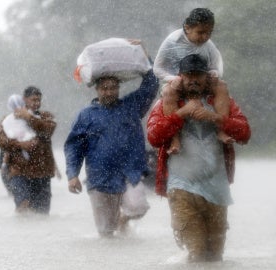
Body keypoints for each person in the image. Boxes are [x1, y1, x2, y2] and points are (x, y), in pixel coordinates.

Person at [147, 54, 251, 262]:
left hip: (217, 189)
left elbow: (244, 133)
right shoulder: (166, 102)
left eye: (198, 75)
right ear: (180, 77)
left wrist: (215, 118)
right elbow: (153, 137)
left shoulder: (221, 100)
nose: (193, 79)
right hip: (181, 188)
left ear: (207, 77)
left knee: (215, 257)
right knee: (197, 252)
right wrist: (181, 114)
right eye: (188, 75)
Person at [64, 56, 158, 237]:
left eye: (113, 88)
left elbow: (151, 85)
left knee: (138, 207)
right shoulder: (86, 116)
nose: (109, 92)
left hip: (129, 172)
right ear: (97, 90)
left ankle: (123, 221)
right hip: (100, 178)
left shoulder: (131, 106)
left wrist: (144, 56)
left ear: (118, 88)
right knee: (106, 234)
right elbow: (74, 147)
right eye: (104, 89)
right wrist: (72, 175)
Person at [153, 8, 232, 155]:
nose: (205, 37)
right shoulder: (172, 41)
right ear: (187, 28)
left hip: (202, 81)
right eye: (201, 32)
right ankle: (175, 138)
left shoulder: (208, 44)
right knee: (168, 91)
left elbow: (217, 66)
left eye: (209, 33)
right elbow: (157, 68)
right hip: (178, 81)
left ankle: (221, 130)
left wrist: (214, 74)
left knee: (221, 86)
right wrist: (173, 78)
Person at [0, 86, 57, 214]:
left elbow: (48, 131)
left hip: (42, 171)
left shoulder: (45, 116)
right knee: (23, 204)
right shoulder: (8, 120)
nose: (36, 103)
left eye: (39, 100)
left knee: (42, 213)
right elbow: (0, 140)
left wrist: (29, 118)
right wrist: (20, 145)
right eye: (33, 100)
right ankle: (19, 231)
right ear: (24, 100)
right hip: (18, 171)